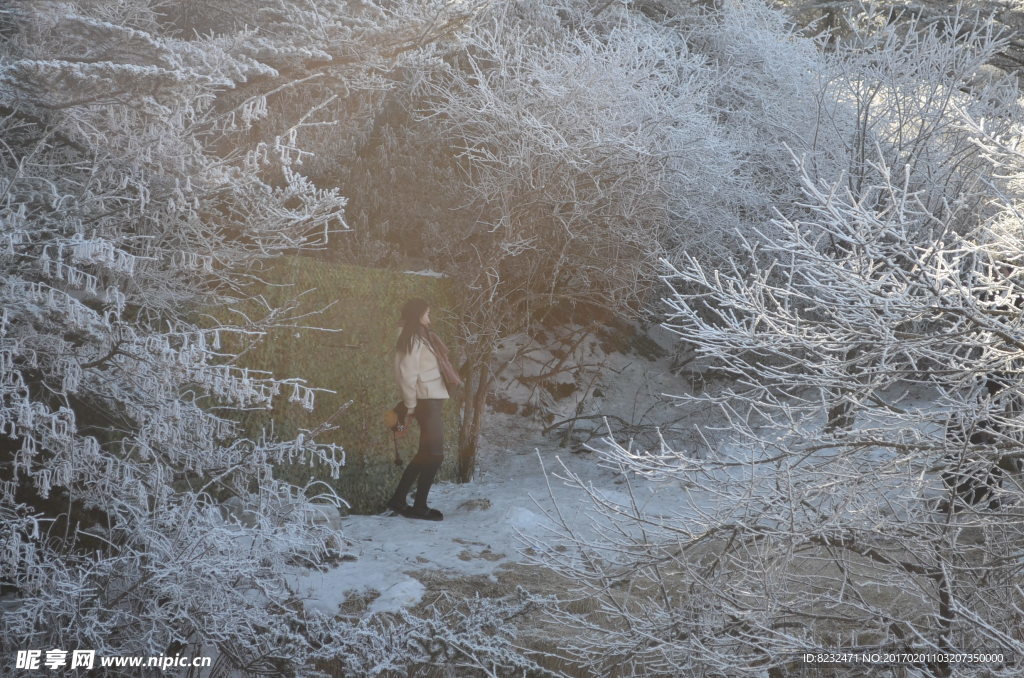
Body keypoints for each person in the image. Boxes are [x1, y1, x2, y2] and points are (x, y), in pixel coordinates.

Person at [385, 298, 461, 521]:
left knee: (426, 453)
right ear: (417, 314)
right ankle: (419, 506)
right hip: (424, 401)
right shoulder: (410, 338)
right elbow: (406, 375)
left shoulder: (420, 336)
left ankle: (400, 500)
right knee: (435, 455)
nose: (430, 318)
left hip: (430, 399)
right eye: (427, 313)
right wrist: (410, 405)